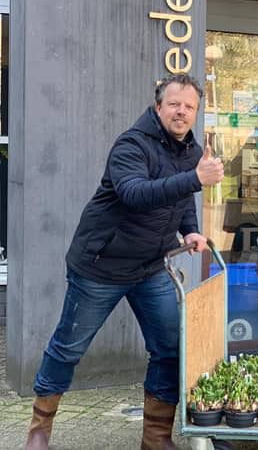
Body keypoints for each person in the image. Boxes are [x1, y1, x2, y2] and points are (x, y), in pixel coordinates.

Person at [25, 74, 224, 450]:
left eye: (189, 107)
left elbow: (180, 200)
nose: (181, 112)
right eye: (174, 104)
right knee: (68, 348)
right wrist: (195, 179)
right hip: (101, 265)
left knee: (168, 348)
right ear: (158, 106)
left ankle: (156, 438)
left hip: (150, 267)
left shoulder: (192, 151)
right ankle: (39, 430)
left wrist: (191, 230)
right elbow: (134, 194)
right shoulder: (131, 144)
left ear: (196, 112)